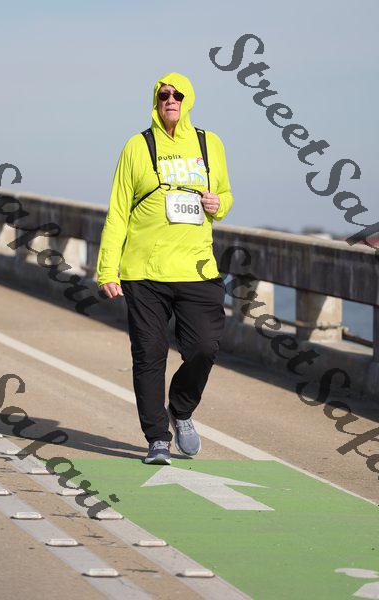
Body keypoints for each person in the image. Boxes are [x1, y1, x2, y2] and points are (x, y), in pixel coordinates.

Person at [97, 72, 234, 465]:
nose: (170, 100)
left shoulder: (210, 143)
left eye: (177, 95)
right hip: (144, 271)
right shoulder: (137, 146)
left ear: (188, 100)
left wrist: (218, 205)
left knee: (204, 348)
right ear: (155, 101)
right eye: (163, 95)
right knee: (149, 354)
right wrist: (108, 269)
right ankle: (157, 438)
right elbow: (118, 211)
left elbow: (225, 194)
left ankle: (181, 409)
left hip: (197, 269)